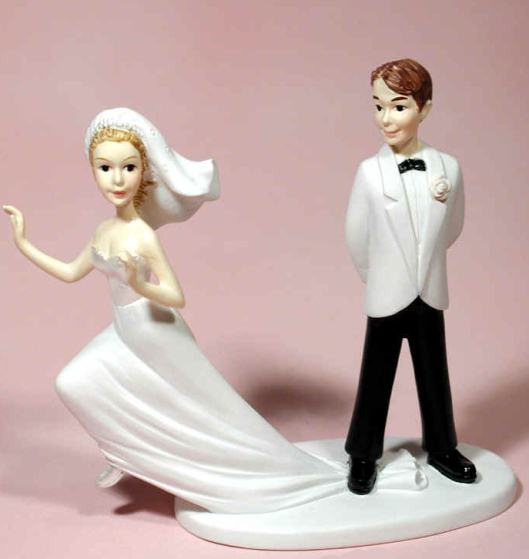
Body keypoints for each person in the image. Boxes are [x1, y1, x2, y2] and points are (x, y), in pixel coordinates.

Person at [4, 107, 426, 514]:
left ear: (143, 171)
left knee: (210, 411)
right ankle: (126, 450)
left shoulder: (142, 235)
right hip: (123, 329)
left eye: (128, 167)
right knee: (73, 382)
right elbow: (71, 272)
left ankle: (244, 470)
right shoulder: (105, 230)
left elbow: (175, 295)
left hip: (153, 330)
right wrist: (24, 243)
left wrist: (138, 282)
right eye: (105, 168)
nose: (117, 179)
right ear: (93, 170)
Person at [344, 59, 477, 495]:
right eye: (378, 106)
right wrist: (379, 277)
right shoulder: (369, 172)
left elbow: (452, 227)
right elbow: (356, 236)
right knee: (375, 375)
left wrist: (424, 265)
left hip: (430, 289)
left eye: (398, 107)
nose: (386, 118)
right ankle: (363, 452)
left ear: (425, 109)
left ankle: (442, 446)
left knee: (434, 372)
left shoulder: (448, 169)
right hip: (387, 291)